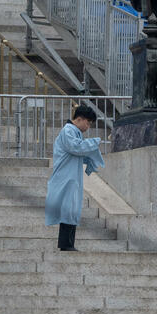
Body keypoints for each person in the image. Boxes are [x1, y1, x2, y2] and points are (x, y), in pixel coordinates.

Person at [45, 105, 105, 251]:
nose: (88, 126)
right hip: (66, 177)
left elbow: (78, 151)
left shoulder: (73, 132)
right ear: (79, 119)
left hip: (70, 177)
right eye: (88, 122)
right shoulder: (68, 131)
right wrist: (95, 142)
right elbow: (76, 148)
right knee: (68, 209)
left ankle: (68, 243)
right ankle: (66, 244)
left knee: (71, 209)